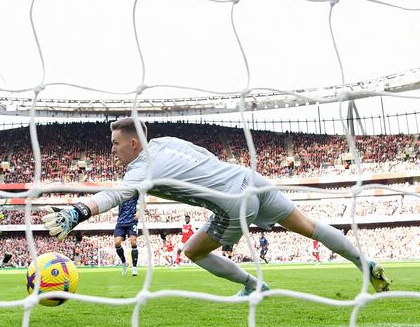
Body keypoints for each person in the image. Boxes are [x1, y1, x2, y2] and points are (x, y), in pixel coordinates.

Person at [42, 117, 392, 296]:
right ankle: (366, 263)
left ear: (134, 143)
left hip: (234, 204)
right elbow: (204, 157)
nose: (112, 149)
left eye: (116, 143)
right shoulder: (164, 143)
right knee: (309, 226)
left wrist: (77, 211)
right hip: (250, 179)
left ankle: (255, 286)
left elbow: (115, 196)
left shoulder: (140, 167)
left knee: (192, 250)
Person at [114, 195, 139, 276]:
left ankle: (134, 268)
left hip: (132, 221)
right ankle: (124, 262)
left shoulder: (136, 192)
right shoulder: (120, 192)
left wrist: (139, 212)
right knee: (117, 243)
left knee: (133, 242)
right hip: (121, 222)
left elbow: (144, 203)